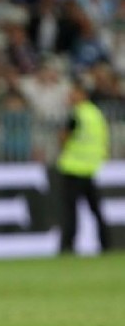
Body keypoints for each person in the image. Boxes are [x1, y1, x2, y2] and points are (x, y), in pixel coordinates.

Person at [56, 80, 110, 253]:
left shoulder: (77, 114)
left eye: (74, 93)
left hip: (73, 168)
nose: (70, 97)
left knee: (70, 212)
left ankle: (67, 246)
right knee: (96, 210)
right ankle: (106, 244)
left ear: (82, 95)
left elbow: (64, 137)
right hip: (91, 168)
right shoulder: (95, 114)